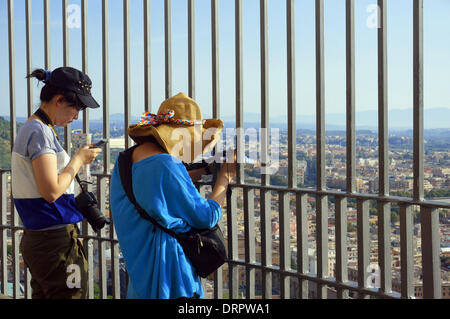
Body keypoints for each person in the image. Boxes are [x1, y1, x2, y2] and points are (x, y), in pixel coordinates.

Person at [109, 92, 236, 299]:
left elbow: (157, 187)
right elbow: (205, 216)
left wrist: (204, 169)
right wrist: (225, 178)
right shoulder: (165, 164)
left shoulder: (126, 160)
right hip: (170, 274)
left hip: (140, 272)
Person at [11, 67, 102, 299]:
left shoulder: (37, 128)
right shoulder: (39, 131)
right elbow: (51, 191)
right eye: (77, 107)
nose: (77, 116)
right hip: (53, 241)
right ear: (59, 100)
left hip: (41, 238)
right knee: (71, 294)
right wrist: (78, 160)